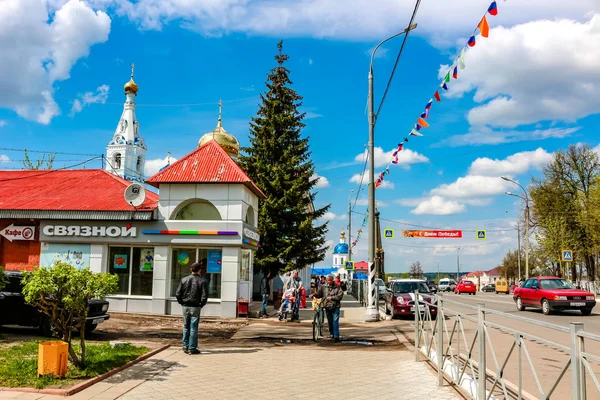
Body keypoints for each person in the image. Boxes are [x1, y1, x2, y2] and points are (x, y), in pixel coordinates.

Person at [175, 261, 208, 355]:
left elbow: (178, 293)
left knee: (186, 326)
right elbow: (204, 296)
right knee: (193, 328)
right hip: (195, 306)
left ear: (191, 269)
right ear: (199, 270)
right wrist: (201, 304)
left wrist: (182, 302)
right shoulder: (203, 281)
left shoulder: (184, 280)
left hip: (185, 306)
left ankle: (185, 346)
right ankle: (192, 348)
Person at [311, 274, 344, 342]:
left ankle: (336, 336)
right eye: (328, 280)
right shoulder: (324, 287)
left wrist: (332, 298)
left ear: (333, 280)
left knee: (335, 321)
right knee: (330, 321)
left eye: (330, 280)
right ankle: (332, 334)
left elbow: (340, 296)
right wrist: (313, 295)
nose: (329, 282)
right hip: (327, 306)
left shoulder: (337, 287)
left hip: (335, 306)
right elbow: (319, 293)